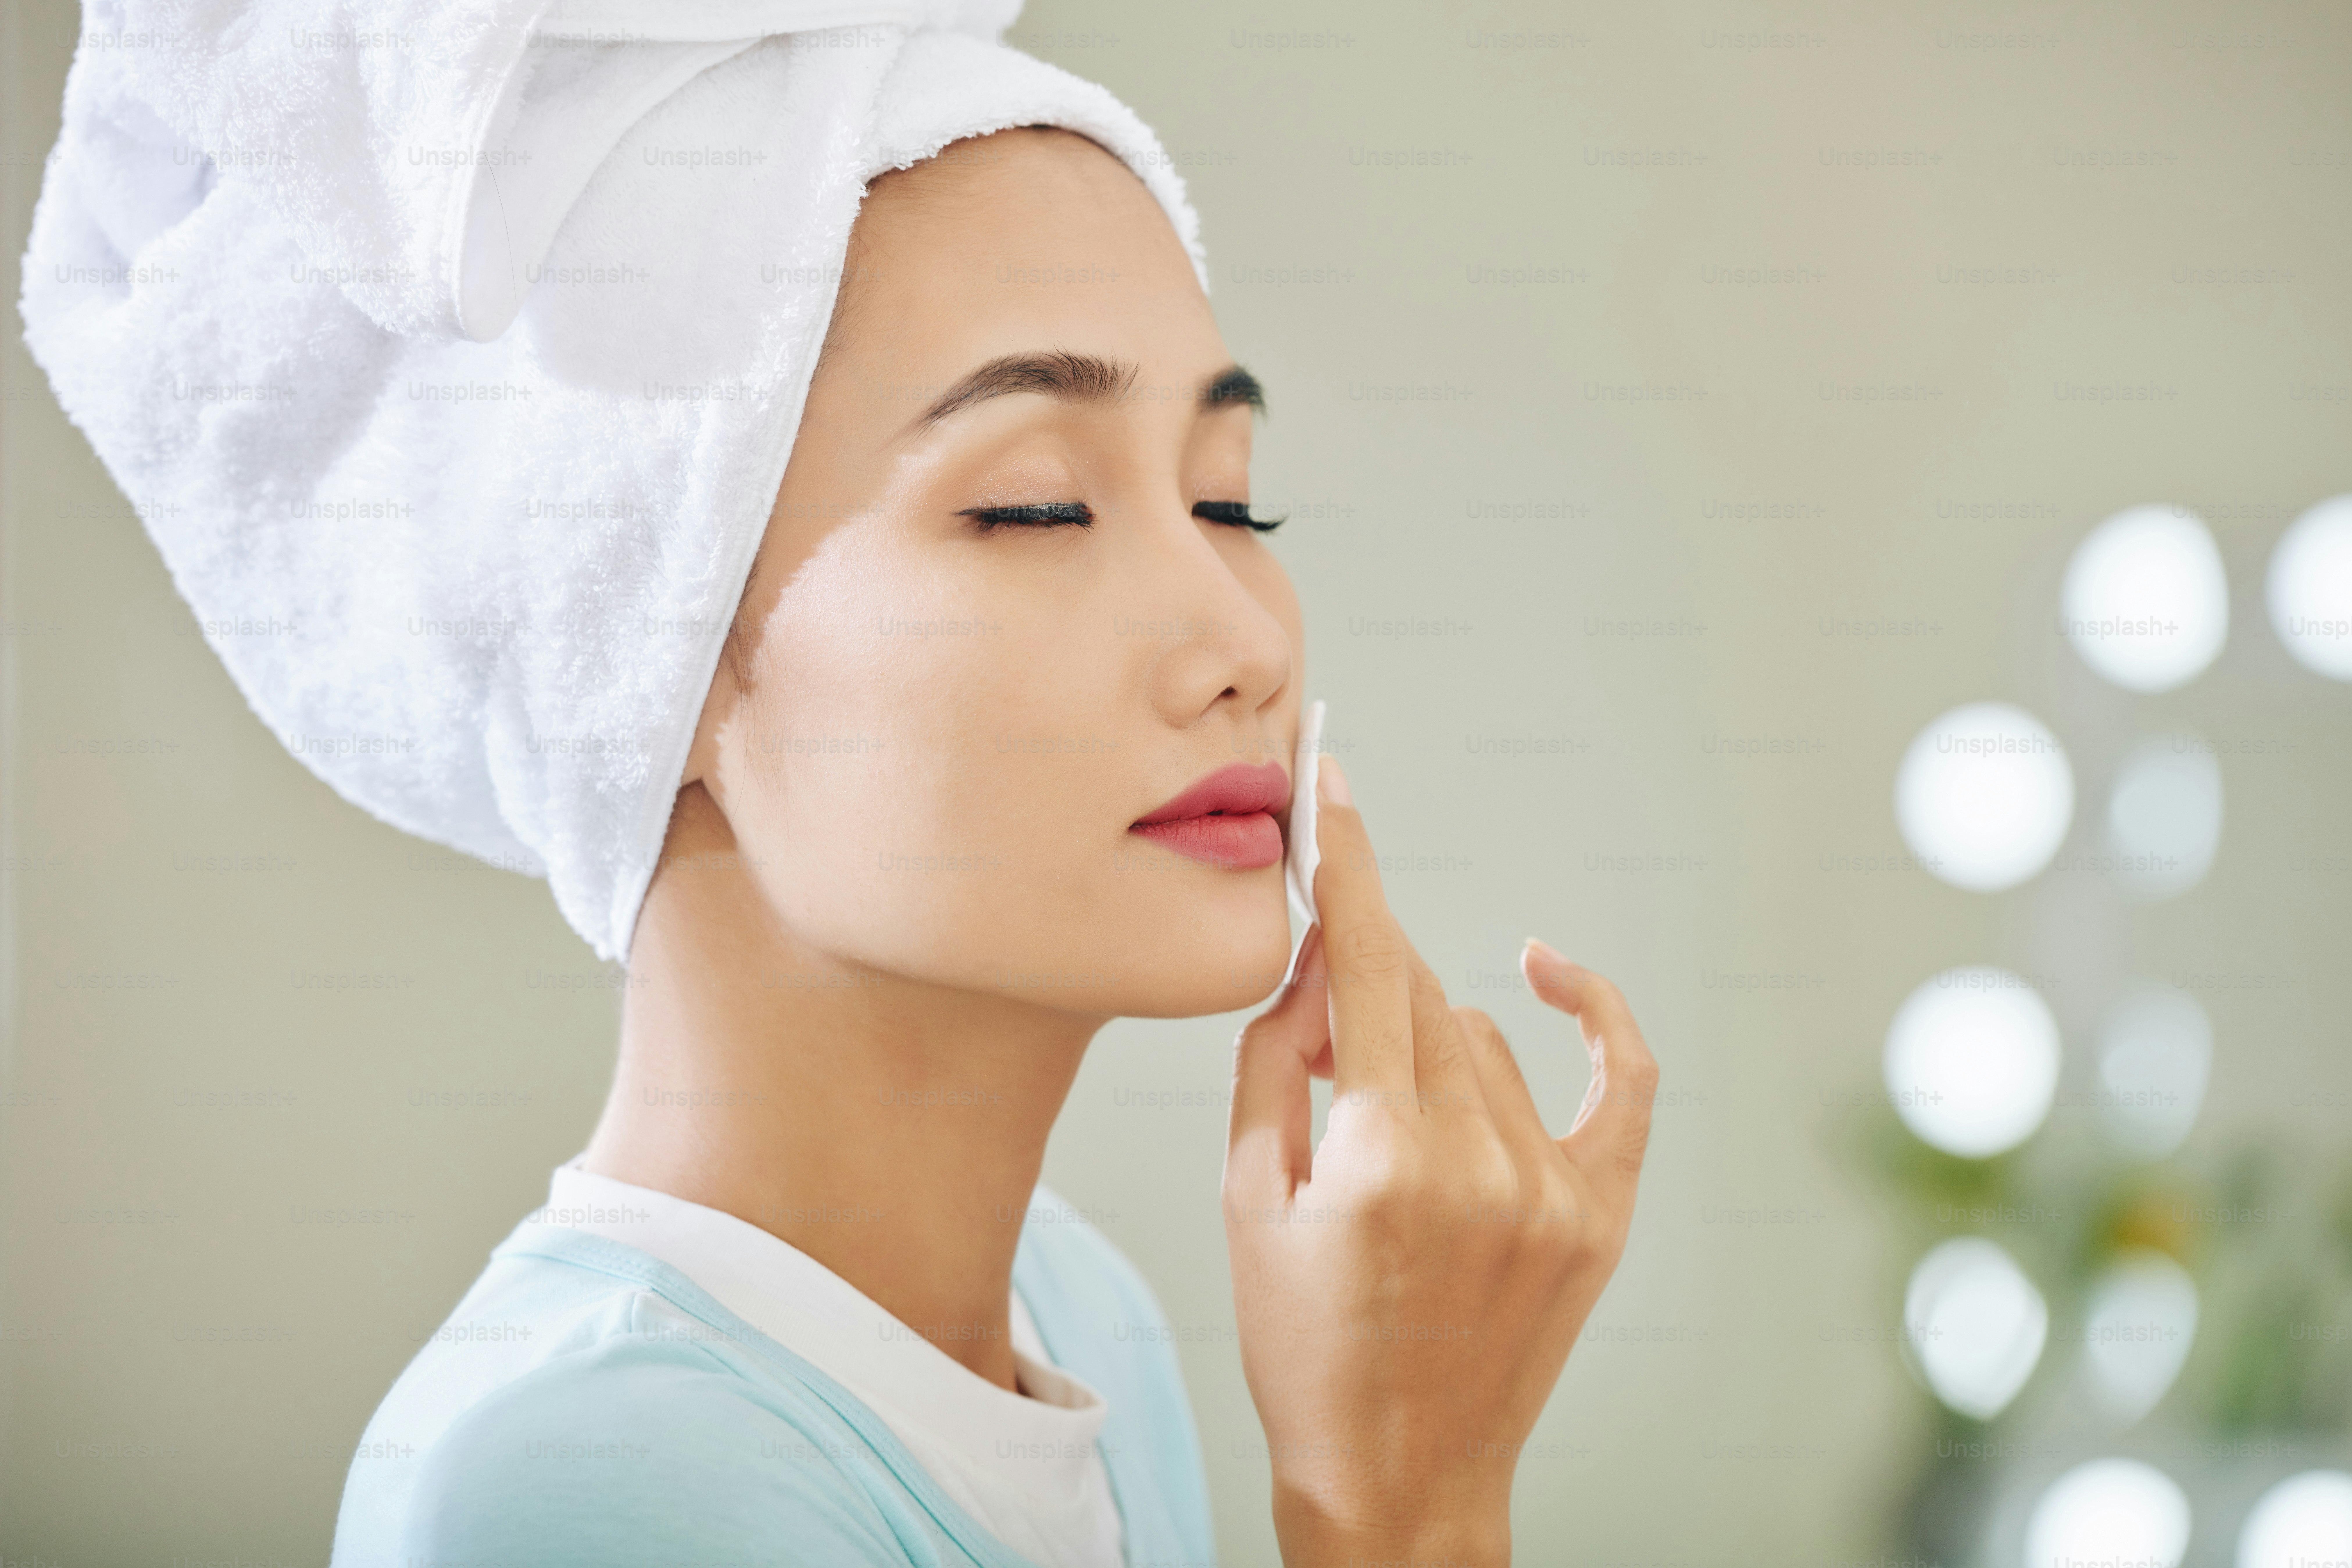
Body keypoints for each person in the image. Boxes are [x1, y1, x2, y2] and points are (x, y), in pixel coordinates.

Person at [22, 10, 1656, 1565]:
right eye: (1033, 509)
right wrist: (1404, 1505)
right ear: (641, 651)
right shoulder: (588, 1492)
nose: (1240, 634)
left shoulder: (1078, 1317)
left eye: (1231, 502)